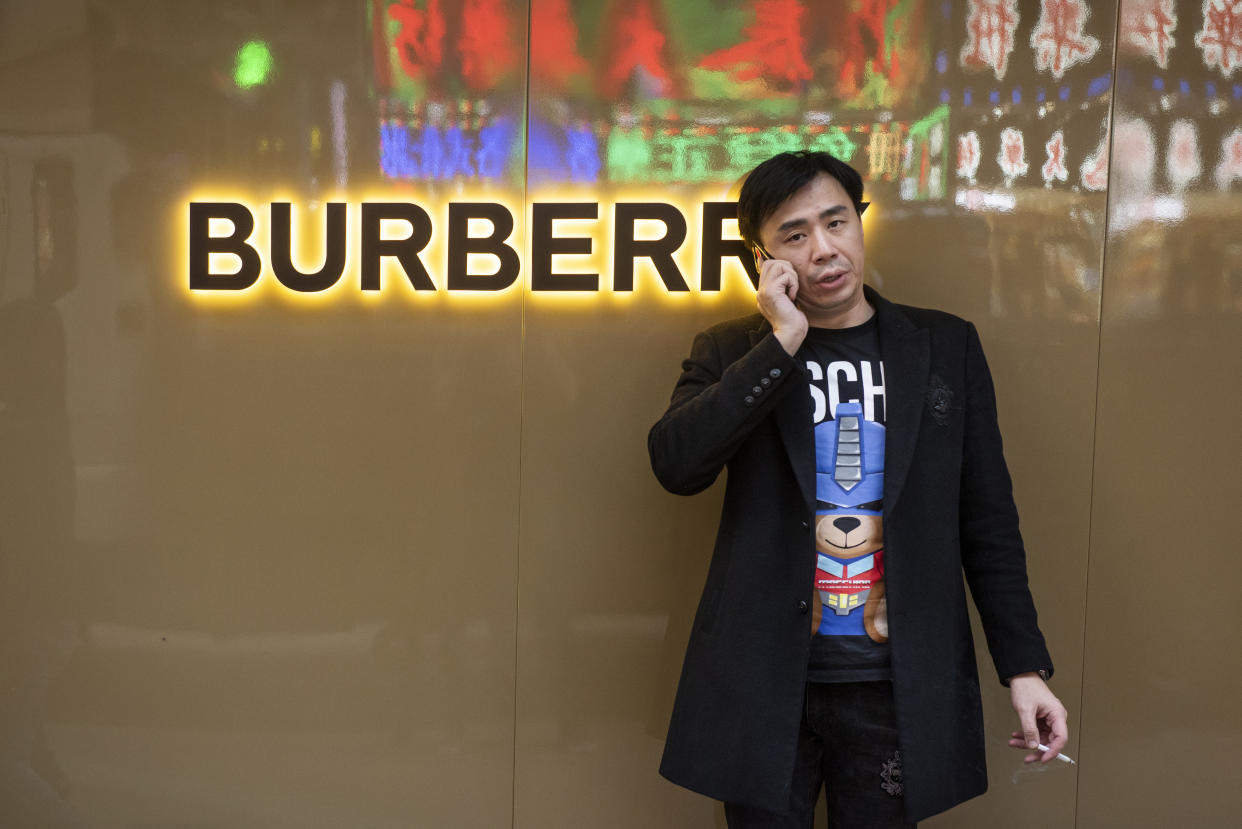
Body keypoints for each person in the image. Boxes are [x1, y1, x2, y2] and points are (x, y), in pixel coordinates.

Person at [648, 151, 1068, 827]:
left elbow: (987, 521)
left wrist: (1023, 667)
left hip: (893, 686)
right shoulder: (734, 351)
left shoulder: (943, 347)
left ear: (860, 222)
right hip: (763, 682)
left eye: (836, 221)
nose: (824, 249)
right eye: (795, 234)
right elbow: (676, 465)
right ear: (765, 255)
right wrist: (781, 343)